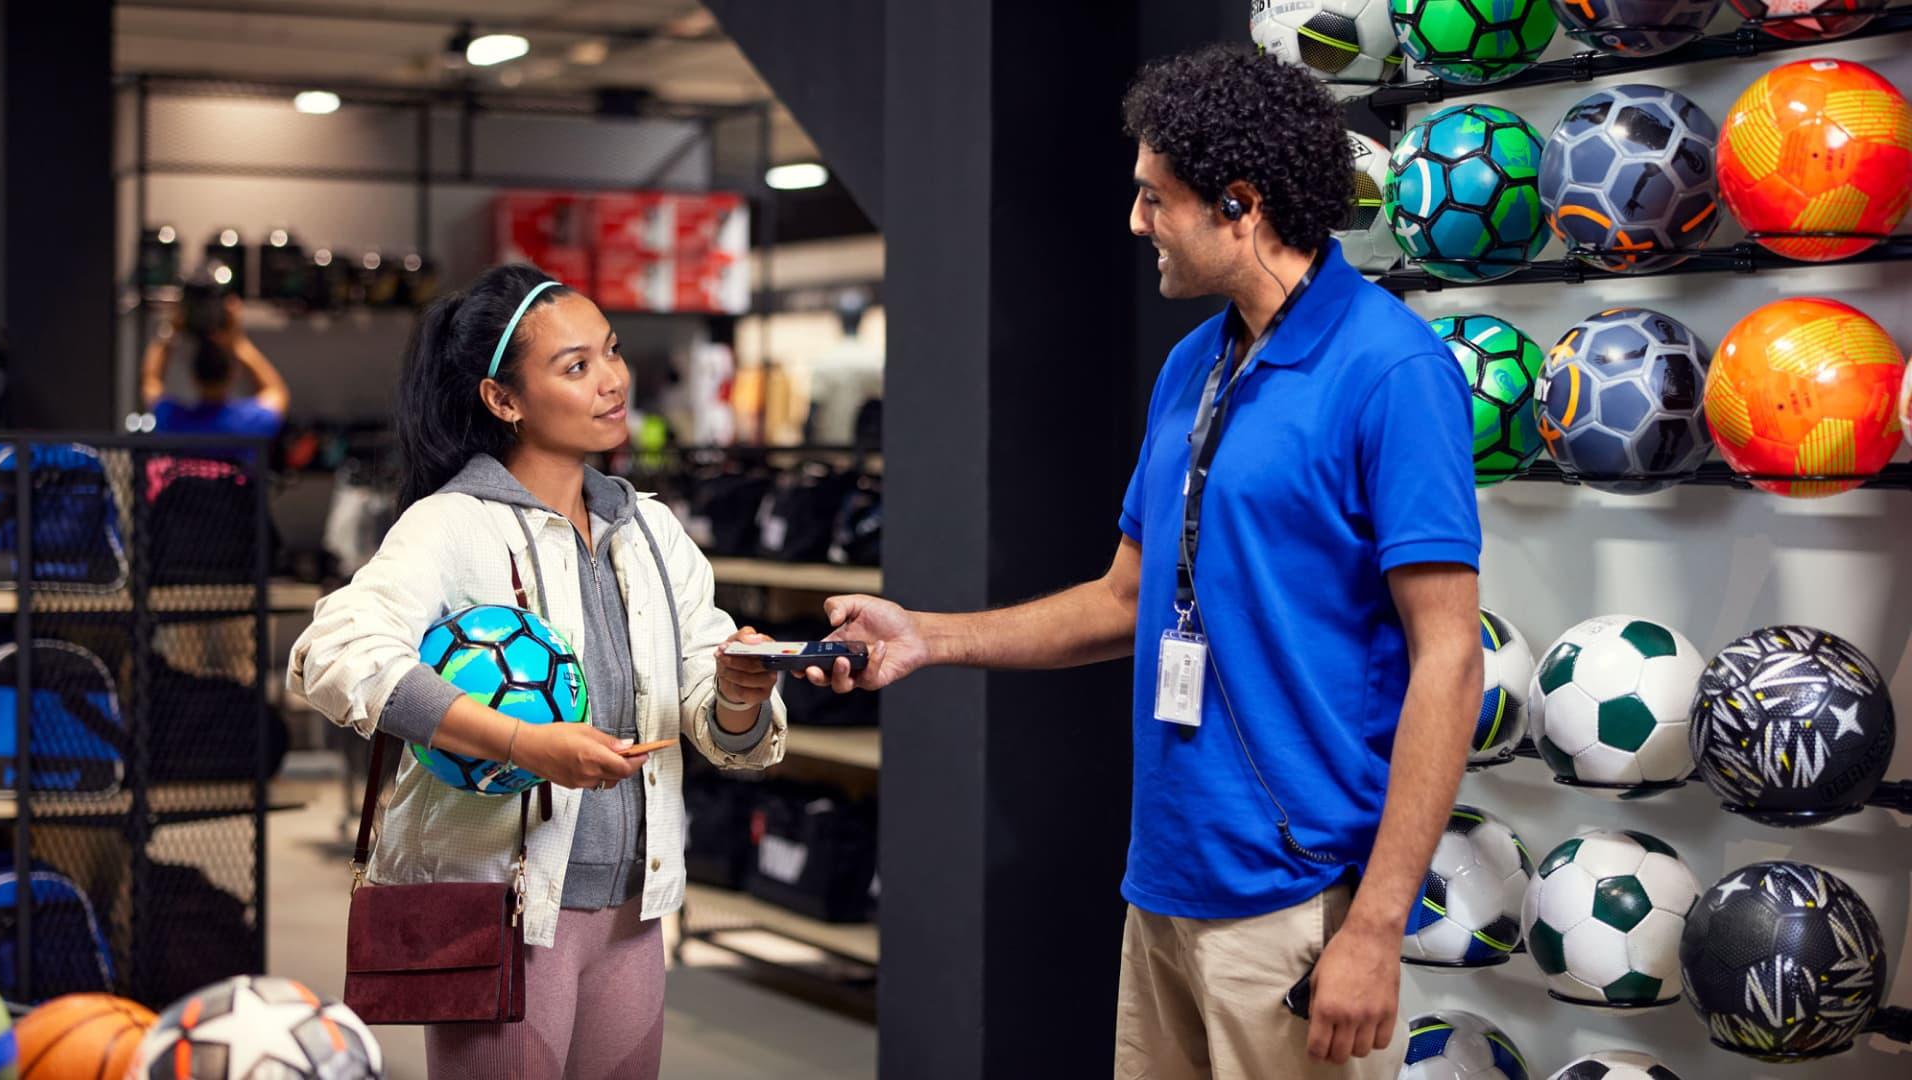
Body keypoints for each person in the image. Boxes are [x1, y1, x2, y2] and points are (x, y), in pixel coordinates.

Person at [805, 46, 1482, 1078]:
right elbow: (1127, 600)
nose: (1134, 223)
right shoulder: (1193, 365)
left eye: (1154, 199)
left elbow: (1450, 658)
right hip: (1163, 885)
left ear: (1240, 206)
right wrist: (928, 636)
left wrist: (1378, 923)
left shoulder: (1392, 371)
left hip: (1296, 905)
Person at [289, 264, 787, 1078]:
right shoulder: (448, 526)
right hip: (504, 913)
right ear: (503, 400)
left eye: (613, 352)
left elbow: (723, 724)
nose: (613, 380)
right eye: (576, 365)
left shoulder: (652, 533)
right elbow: (334, 653)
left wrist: (738, 694)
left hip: (634, 912)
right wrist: (522, 742)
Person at [139, 294, 291, 435]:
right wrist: (237, 341)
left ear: (193, 377)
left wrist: (171, 328)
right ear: (232, 375)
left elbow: (150, 381)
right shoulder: (247, 422)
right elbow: (277, 392)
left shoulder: (173, 419)